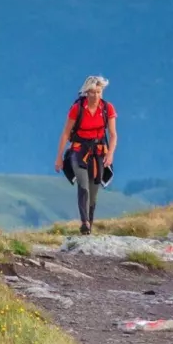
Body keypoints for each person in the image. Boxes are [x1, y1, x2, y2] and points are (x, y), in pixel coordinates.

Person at [54, 75, 117, 234]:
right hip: (78, 151)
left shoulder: (107, 108)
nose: (95, 95)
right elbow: (66, 133)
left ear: (102, 91)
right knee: (83, 187)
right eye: (92, 92)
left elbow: (113, 134)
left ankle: (89, 223)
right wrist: (59, 157)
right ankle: (85, 223)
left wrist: (110, 154)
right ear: (86, 93)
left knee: (94, 191)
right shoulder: (77, 108)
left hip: (99, 153)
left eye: (98, 92)